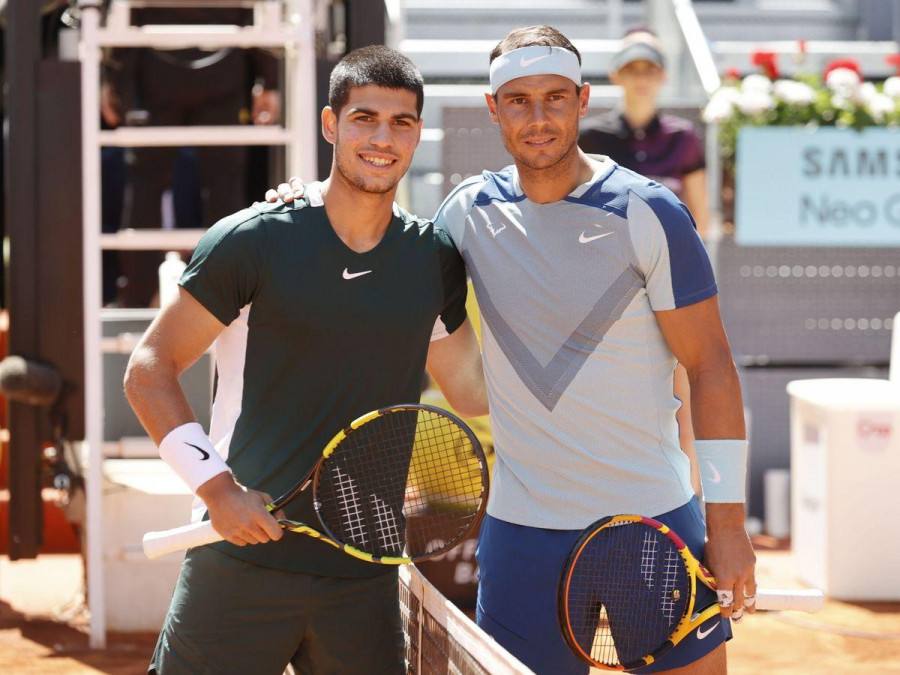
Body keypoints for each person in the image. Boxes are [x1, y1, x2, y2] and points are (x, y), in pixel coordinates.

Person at [269, 26, 756, 675]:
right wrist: (302, 215)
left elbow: (711, 366)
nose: (538, 117)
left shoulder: (651, 213)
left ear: (583, 100)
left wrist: (726, 521)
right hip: (523, 533)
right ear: (494, 109)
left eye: (555, 97)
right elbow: (374, 252)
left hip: (652, 521)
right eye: (519, 100)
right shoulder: (466, 215)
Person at [124, 46, 487, 674]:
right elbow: (148, 370)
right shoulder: (253, 239)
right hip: (239, 560)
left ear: (418, 134)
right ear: (330, 125)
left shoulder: (433, 260)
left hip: (364, 575)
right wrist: (218, 490)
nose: (382, 138)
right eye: (364, 118)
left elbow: (475, 392)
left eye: (401, 122)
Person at [578, 27, 712, 498]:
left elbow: (701, 220)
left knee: (686, 398)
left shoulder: (683, 139)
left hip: (672, 287)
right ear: (617, 74)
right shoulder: (592, 135)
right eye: (632, 68)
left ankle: (690, 505)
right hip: (606, 293)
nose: (640, 78)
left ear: (662, 76)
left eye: (649, 69)